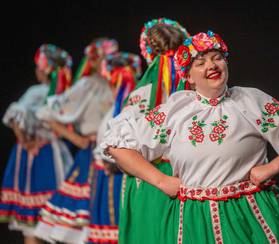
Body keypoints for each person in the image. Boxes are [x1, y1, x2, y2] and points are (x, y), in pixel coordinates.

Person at [102, 31, 279, 243]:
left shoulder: (249, 101)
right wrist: (160, 180)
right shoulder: (176, 110)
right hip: (195, 222)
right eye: (200, 63)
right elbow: (116, 145)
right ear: (188, 76)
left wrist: (271, 168)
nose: (212, 65)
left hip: (250, 217)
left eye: (217, 58)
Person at [108, 17, 189, 244]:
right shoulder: (196, 86)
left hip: (149, 180)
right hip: (186, 177)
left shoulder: (138, 95)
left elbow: (117, 146)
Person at [34, 38, 117, 243]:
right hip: (91, 156)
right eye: (105, 58)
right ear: (95, 61)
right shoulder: (88, 85)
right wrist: (74, 137)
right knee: (84, 223)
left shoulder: (119, 85)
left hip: (115, 158)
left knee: (108, 219)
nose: (110, 62)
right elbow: (46, 112)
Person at [0, 44, 73, 244]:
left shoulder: (40, 91)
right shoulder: (63, 93)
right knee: (53, 216)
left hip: (38, 154)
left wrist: (26, 141)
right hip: (52, 152)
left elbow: (15, 113)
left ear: (44, 70)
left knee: (33, 222)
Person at [87, 51, 142, 244]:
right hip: (108, 176)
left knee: (117, 230)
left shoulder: (128, 109)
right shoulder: (118, 108)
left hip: (118, 178)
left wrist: (112, 162)